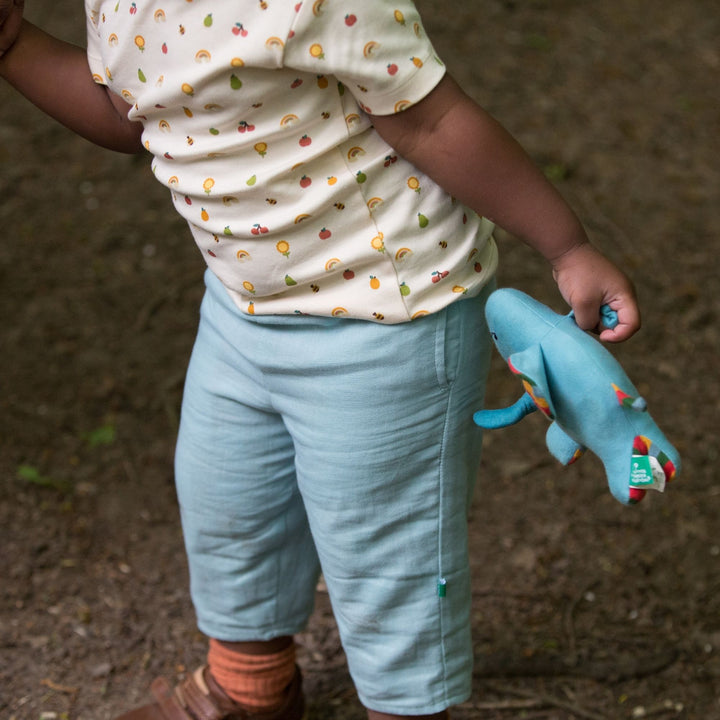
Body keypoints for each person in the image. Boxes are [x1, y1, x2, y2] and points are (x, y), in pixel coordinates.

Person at [0, 1, 640, 719]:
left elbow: (430, 119)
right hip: (244, 308)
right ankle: (248, 687)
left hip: (388, 319)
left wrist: (567, 247)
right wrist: (15, 44)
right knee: (228, 502)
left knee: (386, 552)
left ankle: (405, 707)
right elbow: (128, 109)